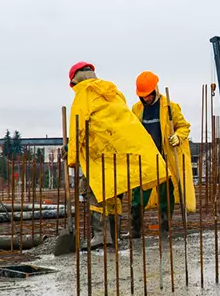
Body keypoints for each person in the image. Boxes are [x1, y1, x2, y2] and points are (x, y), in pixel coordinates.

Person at [66, 62, 164, 249]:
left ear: (75, 80)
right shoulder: (114, 92)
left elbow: (77, 127)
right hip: (119, 154)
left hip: (98, 155)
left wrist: (72, 157)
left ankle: (102, 235)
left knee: (95, 194)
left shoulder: (83, 94)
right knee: (115, 192)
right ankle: (115, 234)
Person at [129, 72, 197, 238]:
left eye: (148, 96)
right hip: (145, 160)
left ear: (155, 91)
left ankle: (164, 229)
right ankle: (135, 230)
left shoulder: (170, 107)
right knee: (138, 195)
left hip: (164, 158)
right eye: (142, 96)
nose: (146, 99)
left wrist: (178, 137)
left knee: (166, 195)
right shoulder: (136, 109)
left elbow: (184, 127)